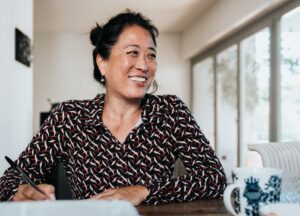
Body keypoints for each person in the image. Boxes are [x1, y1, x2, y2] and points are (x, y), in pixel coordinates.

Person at [0, 10, 226, 205]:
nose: (144, 65)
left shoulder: (170, 111)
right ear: (102, 62)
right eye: (132, 53)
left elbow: (214, 177)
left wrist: (145, 191)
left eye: (151, 55)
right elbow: (8, 180)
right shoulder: (68, 117)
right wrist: (22, 192)